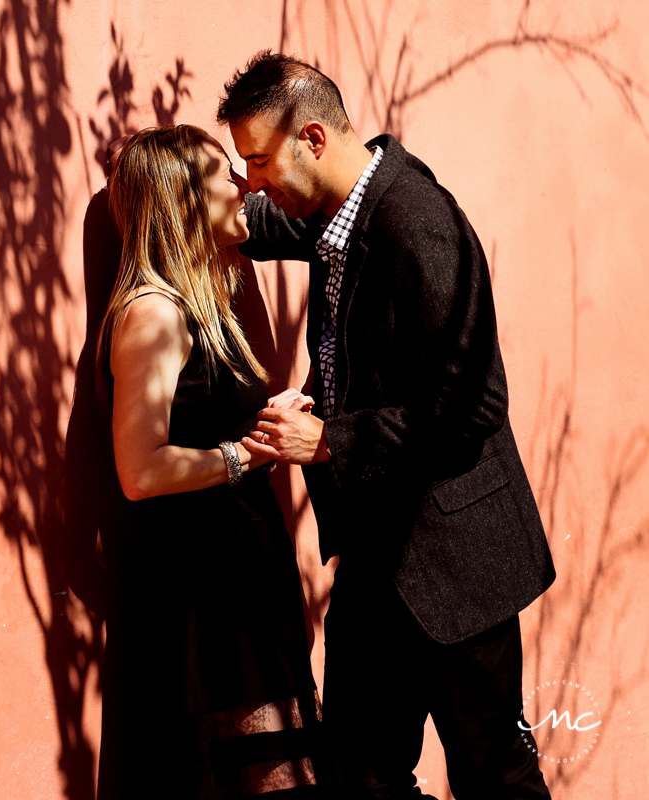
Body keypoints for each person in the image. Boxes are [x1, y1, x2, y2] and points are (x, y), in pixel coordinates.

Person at [221, 52, 556, 798]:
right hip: (376, 561)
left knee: (491, 771)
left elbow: (471, 406)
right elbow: (270, 219)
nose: (253, 180)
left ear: (312, 140)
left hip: (456, 562)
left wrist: (331, 439)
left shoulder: (418, 223)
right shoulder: (338, 215)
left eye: (258, 160)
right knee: (358, 773)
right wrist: (186, 199)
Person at [87, 124, 337, 799]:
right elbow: (140, 472)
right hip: (206, 610)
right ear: (181, 202)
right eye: (224, 173)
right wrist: (241, 456)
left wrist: (261, 425)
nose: (241, 186)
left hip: (243, 587)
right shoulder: (154, 314)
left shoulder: (205, 304)